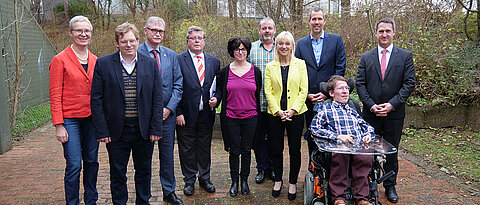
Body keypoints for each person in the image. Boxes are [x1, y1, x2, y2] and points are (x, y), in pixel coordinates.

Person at [90, 22, 164, 204]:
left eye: (132, 41)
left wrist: (156, 128)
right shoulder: (103, 63)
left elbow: (157, 98)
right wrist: (102, 130)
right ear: (117, 43)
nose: (129, 45)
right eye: (124, 41)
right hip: (117, 131)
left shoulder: (150, 64)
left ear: (138, 41)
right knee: (117, 173)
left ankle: (143, 201)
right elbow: (96, 99)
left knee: (144, 171)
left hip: (143, 130)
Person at [356, 17, 416, 203]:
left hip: (394, 114)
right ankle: (366, 185)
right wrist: (371, 105)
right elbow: (360, 84)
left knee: (391, 152)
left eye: (388, 31)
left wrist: (392, 104)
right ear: (376, 33)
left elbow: (409, 83)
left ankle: (390, 186)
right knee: (368, 151)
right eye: (381, 31)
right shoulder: (366, 57)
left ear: (394, 32)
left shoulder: (405, 56)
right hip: (370, 114)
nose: (384, 34)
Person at [49, 15, 99, 205]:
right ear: (70, 33)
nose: (83, 34)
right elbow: (54, 94)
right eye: (79, 30)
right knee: (74, 165)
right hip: (70, 120)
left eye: (87, 31)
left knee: (92, 162)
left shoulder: (95, 60)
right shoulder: (59, 59)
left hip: (92, 120)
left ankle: (91, 200)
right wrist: (59, 124)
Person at [137, 16, 184, 205]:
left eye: (161, 31)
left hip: (167, 116)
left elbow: (178, 84)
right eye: (154, 30)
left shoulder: (170, 55)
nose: (157, 34)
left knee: (167, 157)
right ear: (145, 31)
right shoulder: (135, 51)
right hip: (144, 117)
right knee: (144, 159)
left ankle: (169, 191)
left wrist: (169, 108)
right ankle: (144, 195)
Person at [310, 75, 375, 205]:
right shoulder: (326, 109)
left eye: (347, 88)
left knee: (365, 157)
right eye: (341, 88)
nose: (345, 91)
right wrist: (337, 136)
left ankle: (361, 198)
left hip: (357, 145)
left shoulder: (352, 110)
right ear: (331, 93)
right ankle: (338, 198)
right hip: (338, 146)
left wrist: (367, 135)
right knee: (341, 157)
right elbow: (314, 128)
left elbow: (368, 127)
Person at [294, 7, 346, 157]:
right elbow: (297, 71)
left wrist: (327, 93)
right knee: (312, 133)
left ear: (324, 21)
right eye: (314, 19)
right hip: (309, 99)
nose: (317, 22)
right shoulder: (301, 44)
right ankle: (313, 166)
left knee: (333, 133)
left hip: (330, 98)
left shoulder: (336, 40)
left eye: (319, 19)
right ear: (309, 21)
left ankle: (332, 169)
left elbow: (340, 69)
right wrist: (308, 94)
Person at [176, 26, 219, 197]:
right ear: (188, 40)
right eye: (193, 38)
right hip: (185, 114)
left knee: (204, 147)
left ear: (204, 41)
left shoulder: (213, 61)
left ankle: (205, 178)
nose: (196, 41)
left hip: (206, 113)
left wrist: (217, 99)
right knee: (186, 149)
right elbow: (175, 87)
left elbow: (218, 87)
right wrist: (177, 111)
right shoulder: (178, 59)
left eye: (200, 38)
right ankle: (189, 180)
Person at [264, 31, 308, 201]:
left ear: (292, 46)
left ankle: (292, 182)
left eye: (287, 44)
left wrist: (293, 110)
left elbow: (304, 89)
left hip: (296, 114)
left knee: (295, 149)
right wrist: (278, 111)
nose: (283, 47)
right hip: (275, 114)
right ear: (276, 46)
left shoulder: (300, 64)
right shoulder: (270, 66)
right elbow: (268, 91)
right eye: (280, 44)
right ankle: (278, 180)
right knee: (276, 149)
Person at [215, 37, 262, 197]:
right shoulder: (224, 72)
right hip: (231, 118)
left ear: (248, 51)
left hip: (251, 117)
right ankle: (234, 181)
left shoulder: (255, 71)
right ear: (232, 51)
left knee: (247, 150)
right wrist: (215, 100)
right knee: (234, 151)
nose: (240, 52)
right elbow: (220, 92)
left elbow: (257, 93)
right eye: (237, 49)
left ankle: (244, 181)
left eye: (243, 49)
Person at [247, 17, 276, 184]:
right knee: (258, 138)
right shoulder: (251, 49)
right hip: (256, 103)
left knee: (274, 138)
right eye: (264, 28)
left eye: (269, 28)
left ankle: (272, 167)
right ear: (259, 30)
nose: (266, 31)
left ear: (274, 30)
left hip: (276, 104)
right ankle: (261, 167)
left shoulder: (281, 48)